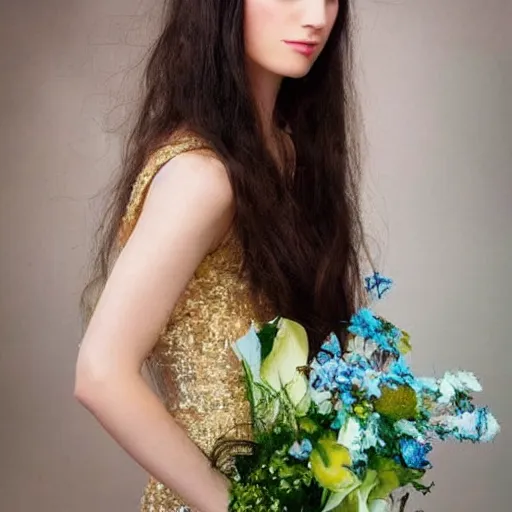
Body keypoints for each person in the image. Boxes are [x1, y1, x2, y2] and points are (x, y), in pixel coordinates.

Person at [75, 1, 373, 511]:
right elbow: (101, 373)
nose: (317, 17)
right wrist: (236, 505)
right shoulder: (202, 176)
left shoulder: (288, 153)